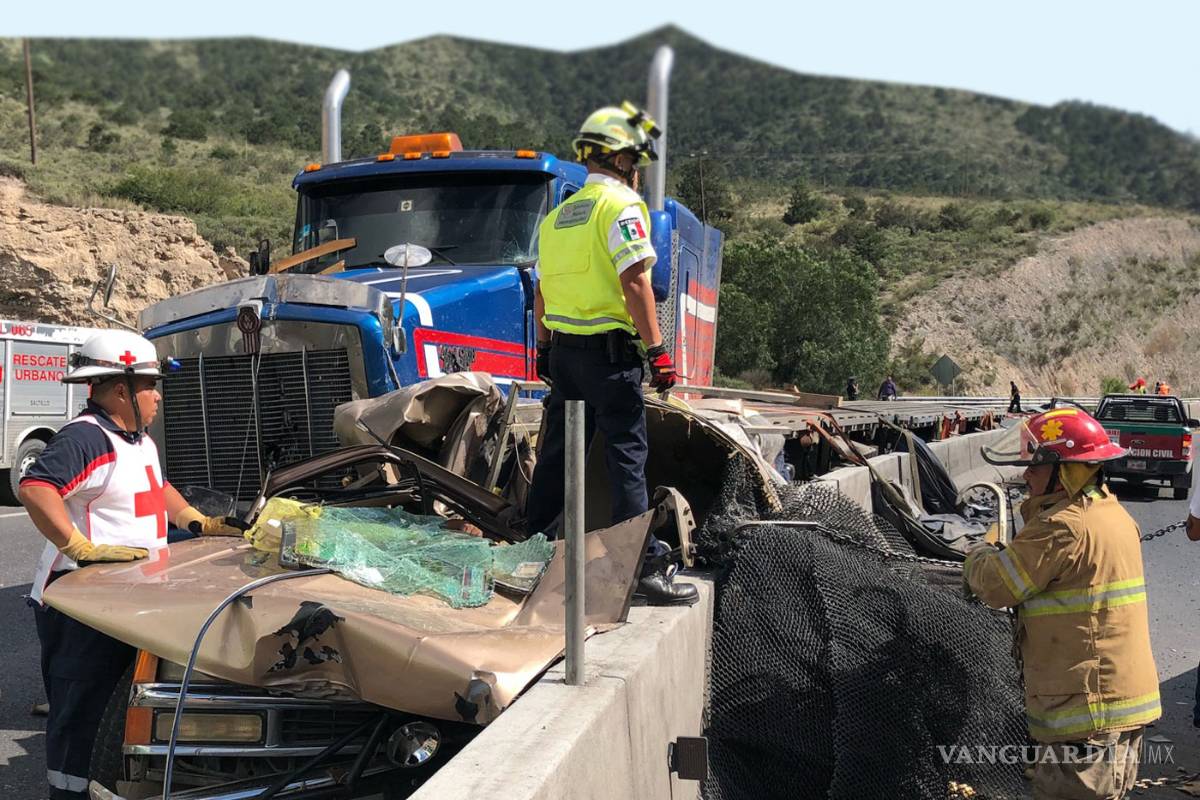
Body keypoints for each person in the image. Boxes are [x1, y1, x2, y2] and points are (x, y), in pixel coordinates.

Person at [21, 330, 241, 800]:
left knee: (120, 702)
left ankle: (106, 782)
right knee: (81, 708)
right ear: (121, 389)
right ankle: (69, 791)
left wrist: (195, 521)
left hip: (126, 600)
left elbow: (156, 489)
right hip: (82, 604)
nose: (158, 395)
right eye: (150, 385)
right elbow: (37, 488)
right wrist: (77, 545)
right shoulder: (85, 438)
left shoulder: (136, 441)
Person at [525, 102, 696, 607]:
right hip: (608, 355)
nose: (638, 171)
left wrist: (544, 348)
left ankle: (532, 557)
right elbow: (636, 281)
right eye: (635, 160)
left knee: (556, 457)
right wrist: (659, 352)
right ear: (621, 160)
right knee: (627, 456)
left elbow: (540, 291)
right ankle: (640, 569)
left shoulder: (558, 217)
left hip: (564, 356)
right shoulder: (618, 208)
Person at [965, 407, 1159, 799]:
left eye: (1036, 467)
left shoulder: (1061, 527)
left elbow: (994, 585)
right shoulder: (1113, 514)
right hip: (1119, 706)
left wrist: (979, 554)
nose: (1026, 475)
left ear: (1067, 470)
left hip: (1084, 714)